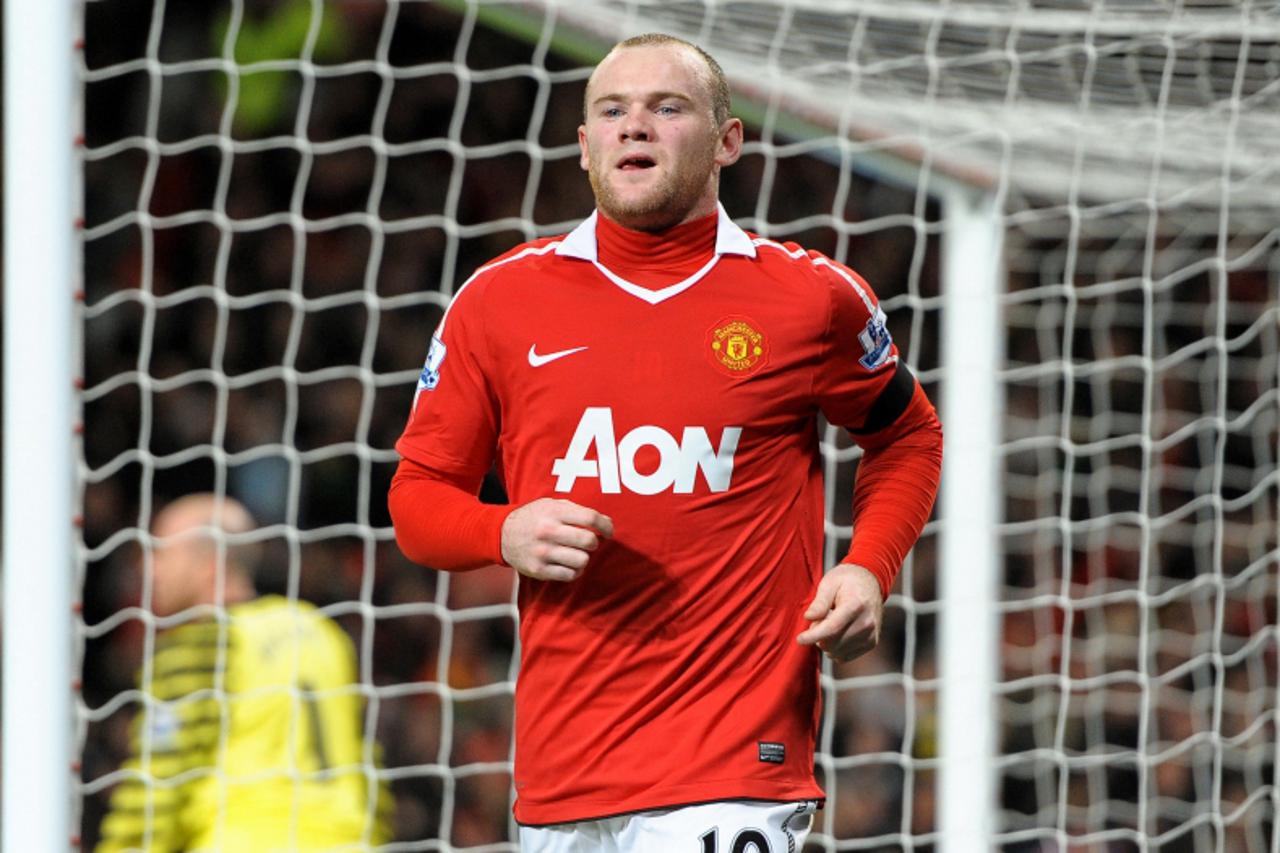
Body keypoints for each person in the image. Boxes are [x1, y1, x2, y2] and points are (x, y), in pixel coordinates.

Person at [389, 32, 943, 851]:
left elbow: (909, 436)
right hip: (563, 767)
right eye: (613, 111)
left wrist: (869, 565)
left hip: (734, 759)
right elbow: (417, 499)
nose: (635, 125)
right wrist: (501, 530)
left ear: (728, 141)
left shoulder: (808, 298)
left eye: (667, 107)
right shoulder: (498, 301)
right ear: (585, 147)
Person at [96, 493, 391, 852]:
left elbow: (158, 788)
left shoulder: (201, 645)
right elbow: (368, 761)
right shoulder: (322, 632)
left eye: (160, 553)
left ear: (209, 564)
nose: (148, 569)